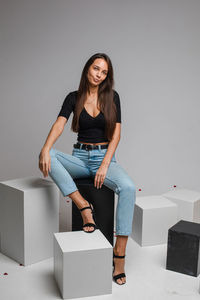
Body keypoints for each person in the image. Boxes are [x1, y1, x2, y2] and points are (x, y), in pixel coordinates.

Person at [38, 53, 136, 285]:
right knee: (47, 154)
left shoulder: (113, 97)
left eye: (104, 72)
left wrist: (104, 165)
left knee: (129, 188)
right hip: (80, 158)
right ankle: (83, 206)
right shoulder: (74, 97)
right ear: (87, 69)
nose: (99, 75)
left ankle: (119, 257)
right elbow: (60, 124)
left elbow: (117, 135)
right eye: (96, 69)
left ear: (107, 76)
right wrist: (45, 148)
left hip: (105, 159)